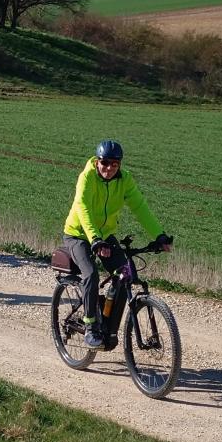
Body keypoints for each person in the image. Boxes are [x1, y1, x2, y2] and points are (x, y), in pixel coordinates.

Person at [62, 140, 173, 350]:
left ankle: (109, 325)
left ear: (120, 165)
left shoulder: (125, 180)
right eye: (105, 163)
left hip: (104, 235)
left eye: (114, 164)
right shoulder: (87, 178)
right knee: (91, 274)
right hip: (78, 235)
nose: (109, 168)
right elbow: (83, 208)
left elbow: (140, 207)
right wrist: (94, 239)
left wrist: (159, 235)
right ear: (97, 162)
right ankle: (90, 327)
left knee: (125, 274)